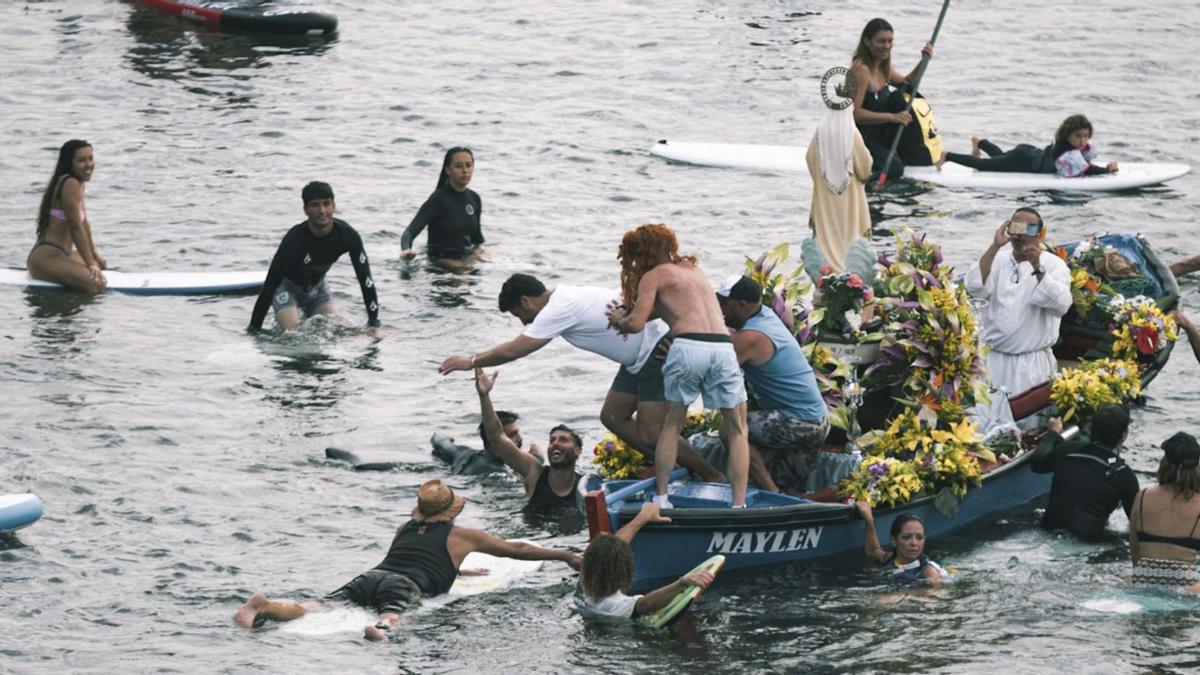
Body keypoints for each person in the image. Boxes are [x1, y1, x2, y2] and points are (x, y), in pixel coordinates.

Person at [437, 273, 724, 482]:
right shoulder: (564, 297)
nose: (523, 322)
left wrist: (470, 361)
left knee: (652, 432)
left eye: (519, 314)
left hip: (653, 351)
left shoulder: (558, 307)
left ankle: (709, 474)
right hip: (634, 360)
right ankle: (671, 467)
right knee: (612, 416)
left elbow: (516, 349)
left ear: (526, 301)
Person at [232, 479, 580, 640]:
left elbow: (408, 559)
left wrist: (462, 568)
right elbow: (517, 550)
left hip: (372, 576)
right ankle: (380, 631)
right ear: (451, 510)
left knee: (319, 605)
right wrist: (565, 555)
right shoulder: (463, 536)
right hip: (405, 585)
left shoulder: (406, 527)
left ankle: (266, 605)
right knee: (393, 613)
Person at [606, 223, 750, 508]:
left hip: (688, 346)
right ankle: (739, 504)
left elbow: (635, 324)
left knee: (671, 424)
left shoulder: (654, 275)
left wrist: (618, 320)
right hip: (722, 347)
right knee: (737, 429)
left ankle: (661, 498)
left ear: (642, 254)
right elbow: (673, 310)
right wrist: (635, 313)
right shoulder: (694, 272)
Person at [715, 275, 830, 493]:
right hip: (817, 419)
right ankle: (788, 499)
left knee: (731, 430)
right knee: (791, 488)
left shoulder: (751, 336)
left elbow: (711, 375)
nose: (720, 309)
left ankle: (773, 494)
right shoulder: (766, 315)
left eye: (723, 304)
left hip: (800, 421)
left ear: (741, 305)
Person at [965, 208, 1072, 397]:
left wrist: (1037, 267)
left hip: (1031, 366)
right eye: (1017, 227)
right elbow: (974, 288)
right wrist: (995, 245)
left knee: (1030, 422)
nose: (1021, 235)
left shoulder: (1054, 265)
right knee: (989, 418)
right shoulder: (997, 259)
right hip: (993, 361)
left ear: (1039, 235)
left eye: (1028, 229)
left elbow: (1061, 304)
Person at [248, 181, 380, 332]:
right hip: (287, 287)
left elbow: (366, 281)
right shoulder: (294, 240)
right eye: (315, 205)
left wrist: (373, 322)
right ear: (306, 210)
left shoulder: (347, 236)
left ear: (334, 206)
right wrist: (254, 328)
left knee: (332, 331)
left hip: (317, 288)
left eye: (326, 204)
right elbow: (270, 284)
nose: (322, 210)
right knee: (292, 336)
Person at [577, 502, 714, 620]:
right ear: (625, 570)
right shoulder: (613, 604)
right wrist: (682, 582)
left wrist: (642, 518)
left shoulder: (584, 583)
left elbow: (609, 552)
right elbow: (644, 605)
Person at [473, 367, 584, 513]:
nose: (555, 443)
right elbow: (496, 437)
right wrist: (484, 396)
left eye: (563, 440)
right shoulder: (534, 472)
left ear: (578, 451)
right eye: (551, 440)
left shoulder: (585, 485)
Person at [803, 70, 875, 277]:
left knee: (827, 239)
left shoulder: (819, 133)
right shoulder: (851, 133)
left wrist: (823, 178)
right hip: (851, 200)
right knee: (850, 240)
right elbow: (865, 168)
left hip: (825, 200)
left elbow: (810, 160)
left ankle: (828, 271)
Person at [1030, 408, 1138, 541]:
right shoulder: (1124, 474)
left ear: (1091, 428)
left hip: (1047, 531)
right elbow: (1139, 525)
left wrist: (1052, 432)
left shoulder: (1066, 450)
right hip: (1088, 543)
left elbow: (1036, 463)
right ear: (1123, 436)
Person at [850, 18, 935, 176]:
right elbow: (855, 114)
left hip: (882, 135)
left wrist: (924, 60)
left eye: (890, 41)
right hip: (861, 140)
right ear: (867, 41)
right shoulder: (860, 70)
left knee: (899, 96)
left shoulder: (883, 67)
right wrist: (893, 117)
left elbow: (909, 83)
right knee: (896, 169)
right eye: (881, 41)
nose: (887, 46)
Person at [27, 139, 107, 293]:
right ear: (69, 162)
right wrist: (90, 264)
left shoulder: (78, 183)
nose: (88, 164)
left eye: (90, 159)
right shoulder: (70, 184)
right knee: (97, 284)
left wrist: (94, 256)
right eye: (81, 160)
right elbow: (75, 227)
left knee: (100, 266)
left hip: (64, 254)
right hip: (46, 258)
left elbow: (84, 224)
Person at [937, 114, 1119, 177]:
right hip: (1024, 160)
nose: (1083, 141)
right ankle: (948, 156)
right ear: (1067, 135)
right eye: (1078, 136)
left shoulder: (1070, 148)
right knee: (983, 165)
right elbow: (1086, 169)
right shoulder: (1066, 151)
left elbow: (1085, 162)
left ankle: (981, 143)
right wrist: (1106, 170)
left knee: (999, 158)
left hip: (1027, 154)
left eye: (1086, 136)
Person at [1129, 432, 1200, 592]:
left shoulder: (1143, 496)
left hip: (1142, 581)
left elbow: (1135, 553)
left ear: (1165, 462)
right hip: (1185, 589)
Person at [400, 147, 483, 270]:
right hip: (440, 261)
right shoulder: (438, 199)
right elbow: (410, 232)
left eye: (469, 165)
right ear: (448, 170)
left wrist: (477, 255)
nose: (465, 170)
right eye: (459, 166)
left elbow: (477, 239)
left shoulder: (474, 198)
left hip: (465, 258)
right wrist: (406, 250)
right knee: (461, 270)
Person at [855, 502, 948, 585]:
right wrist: (869, 519)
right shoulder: (890, 559)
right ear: (894, 540)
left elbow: (936, 594)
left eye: (919, 538)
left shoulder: (929, 572)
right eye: (907, 537)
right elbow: (873, 551)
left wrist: (898, 596)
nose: (914, 543)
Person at [430, 410, 544, 475]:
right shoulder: (498, 473)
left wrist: (447, 437)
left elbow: (438, 439)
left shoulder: (464, 454)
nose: (520, 439)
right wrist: (536, 461)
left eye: (518, 433)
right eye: (512, 435)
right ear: (492, 442)